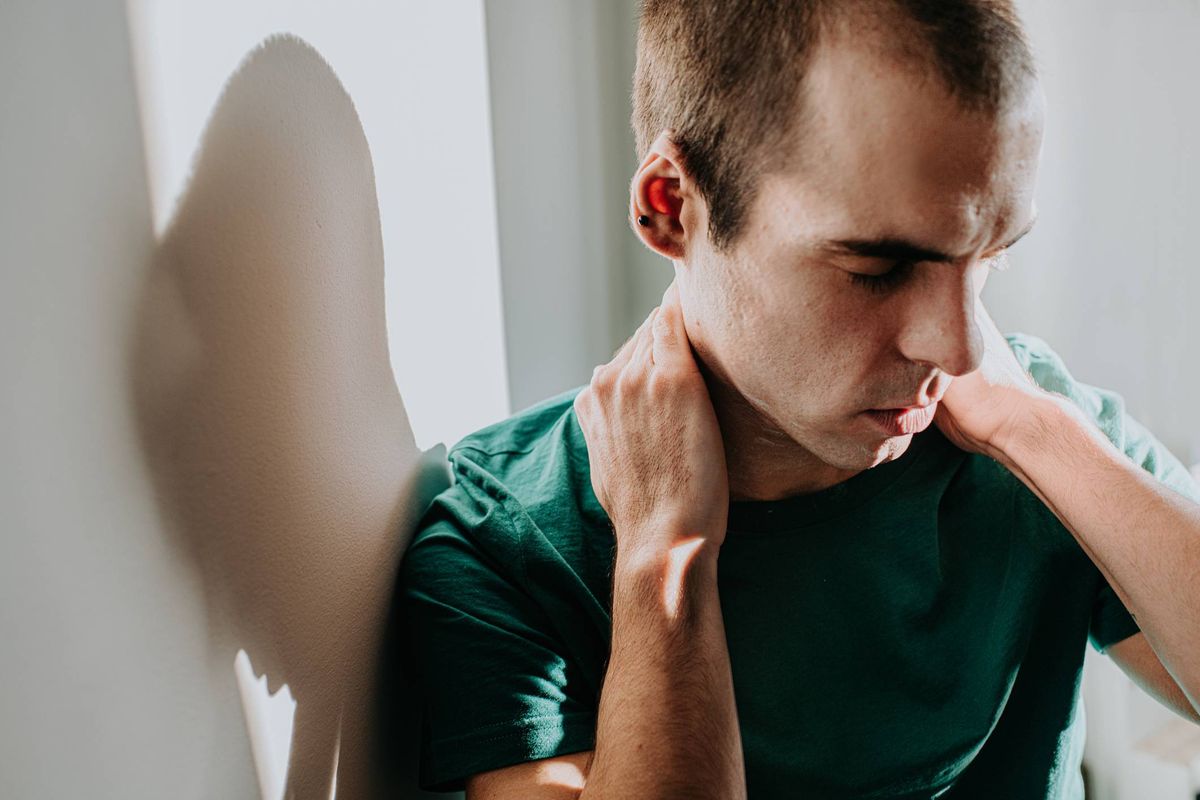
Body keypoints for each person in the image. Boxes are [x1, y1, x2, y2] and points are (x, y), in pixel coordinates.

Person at [395, 1, 1200, 797]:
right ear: (672, 205)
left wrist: (1039, 433)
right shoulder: (503, 544)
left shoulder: (1029, 419)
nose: (960, 349)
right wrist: (661, 561)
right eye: (878, 268)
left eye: (991, 257)